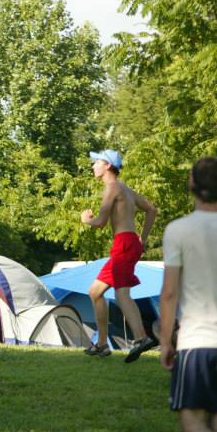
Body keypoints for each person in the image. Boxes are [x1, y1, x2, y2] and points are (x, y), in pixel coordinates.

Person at [159, 156, 217, 432]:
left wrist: (164, 342)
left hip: (198, 341)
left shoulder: (178, 230)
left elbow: (170, 292)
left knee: (191, 423)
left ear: (191, 183)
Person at [80, 149, 158, 361]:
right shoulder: (126, 189)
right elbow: (151, 209)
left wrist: (86, 219)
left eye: (96, 162)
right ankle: (103, 344)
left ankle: (142, 338)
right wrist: (143, 238)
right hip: (128, 243)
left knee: (121, 294)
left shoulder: (112, 188)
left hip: (124, 243)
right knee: (95, 291)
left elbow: (100, 222)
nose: (93, 166)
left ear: (107, 165)